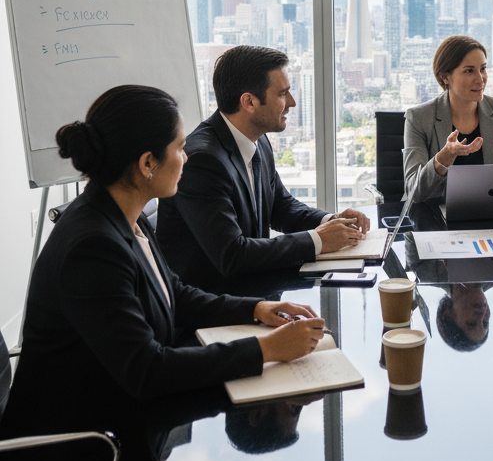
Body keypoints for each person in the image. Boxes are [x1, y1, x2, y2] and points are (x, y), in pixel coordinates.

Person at [0, 85, 327, 461]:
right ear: (147, 164)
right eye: (180, 148)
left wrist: (259, 308)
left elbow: (176, 296)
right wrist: (263, 352)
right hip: (71, 460)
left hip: (108, 416)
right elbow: (146, 370)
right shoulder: (91, 244)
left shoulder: (123, 215)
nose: (190, 155)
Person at [158, 45, 369, 289]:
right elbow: (232, 255)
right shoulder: (202, 161)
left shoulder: (257, 139)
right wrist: (317, 240)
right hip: (214, 306)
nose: (292, 102)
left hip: (254, 288)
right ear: (249, 101)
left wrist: (331, 220)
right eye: (282, 94)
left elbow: (280, 207)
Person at [403, 35, 493, 203]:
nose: (480, 79)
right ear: (445, 77)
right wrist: (442, 159)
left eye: (483, 69)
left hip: (488, 214)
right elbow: (413, 192)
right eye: (469, 71)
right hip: (434, 219)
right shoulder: (419, 118)